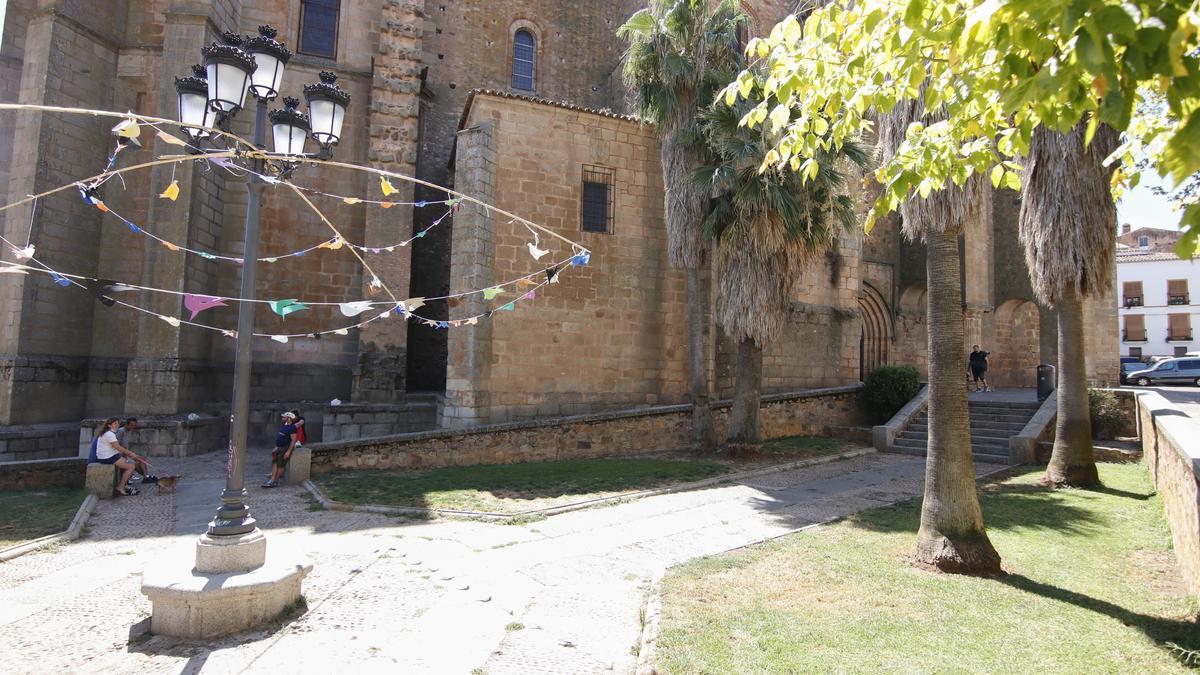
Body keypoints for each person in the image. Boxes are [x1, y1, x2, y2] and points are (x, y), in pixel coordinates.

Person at [93, 417, 139, 496]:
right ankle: (120, 487)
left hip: (108, 456)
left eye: (118, 423)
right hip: (107, 457)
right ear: (109, 425)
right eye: (115, 423)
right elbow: (118, 447)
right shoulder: (109, 434)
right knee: (131, 466)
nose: (117, 425)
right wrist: (131, 453)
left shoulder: (108, 433)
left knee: (127, 461)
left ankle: (125, 484)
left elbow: (116, 448)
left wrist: (127, 455)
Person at [114, 418, 158, 483]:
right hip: (120, 454)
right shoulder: (121, 431)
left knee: (142, 459)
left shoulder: (129, 431)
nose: (133, 427)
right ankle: (145, 477)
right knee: (137, 463)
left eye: (134, 425)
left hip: (125, 453)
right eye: (131, 425)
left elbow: (125, 445)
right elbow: (117, 445)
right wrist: (127, 454)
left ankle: (146, 477)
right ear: (127, 424)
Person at [263, 411, 298, 488]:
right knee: (275, 463)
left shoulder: (292, 427)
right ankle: (272, 480)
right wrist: (276, 447)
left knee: (281, 465)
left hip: (285, 448)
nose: (282, 418)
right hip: (279, 447)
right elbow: (280, 437)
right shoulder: (283, 425)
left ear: (289, 419)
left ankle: (275, 481)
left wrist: (288, 451)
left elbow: (293, 440)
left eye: (284, 417)